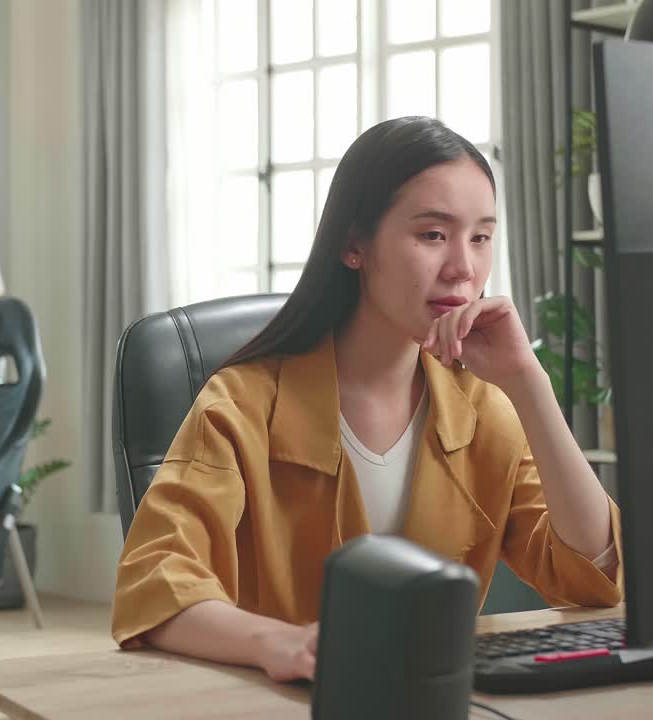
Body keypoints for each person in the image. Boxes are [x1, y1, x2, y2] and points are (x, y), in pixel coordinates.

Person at [111, 116, 620, 683]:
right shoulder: (240, 404)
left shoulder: (482, 405)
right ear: (354, 245)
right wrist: (281, 644)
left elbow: (593, 577)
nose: (464, 268)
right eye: (433, 235)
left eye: (480, 237)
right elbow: (156, 584)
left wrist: (530, 385)